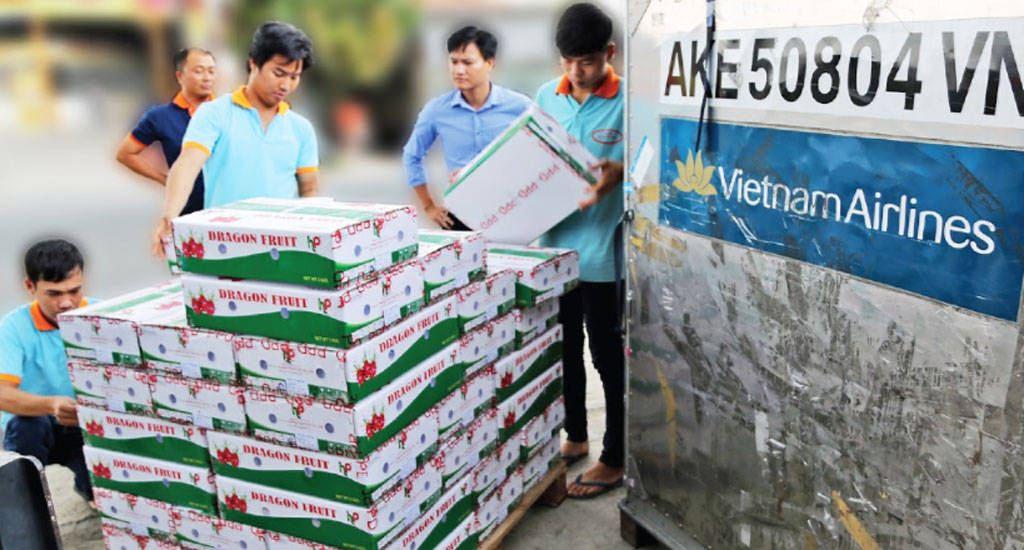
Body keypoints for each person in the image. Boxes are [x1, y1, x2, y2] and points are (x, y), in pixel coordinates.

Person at [535, 3, 626, 499]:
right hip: (553, 248)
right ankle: (576, 434)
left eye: (587, 61)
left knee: (606, 354)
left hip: (601, 252)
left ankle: (615, 456)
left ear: (609, 54)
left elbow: (654, 169)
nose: (575, 72)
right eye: (567, 60)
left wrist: (622, 172)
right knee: (563, 347)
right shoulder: (546, 95)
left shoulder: (630, 99)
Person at [152, 21, 319, 257]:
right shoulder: (215, 114)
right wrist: (170, 214)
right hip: (223, 247)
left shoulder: (301, 129)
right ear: (253, 63)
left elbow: (309, 190)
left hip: (281, 250)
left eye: (294, 77)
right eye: (278, 73)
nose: (286, 84)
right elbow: (188, 164)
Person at [402, 25, 531, 230]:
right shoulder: (437, 110)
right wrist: (428, 207)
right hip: (459, 217)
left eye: (468, 62)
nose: (459, 70)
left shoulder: (520, 106)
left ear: (489, 63)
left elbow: (537, 155)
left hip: (509, 212)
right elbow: (411, 156)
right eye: (454, 62)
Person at [0, 240, 94, 507]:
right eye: (54, 293)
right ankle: (26, 504)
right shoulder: (13, 328)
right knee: (28, 425)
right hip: (35, 428)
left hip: (84, 425)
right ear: (30, 287)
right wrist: (51, 404)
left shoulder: (100, 317)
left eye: (74, 290)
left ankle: (89, 488)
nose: (66, 302)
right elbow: (2, 396)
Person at [115, 48, 217, 216]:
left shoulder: (228, 112)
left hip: (226, 211)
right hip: (186, 214)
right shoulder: (160, 116)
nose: (206, 77)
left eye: (211, 71)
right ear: (180, 77)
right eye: (199, 71)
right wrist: (163, 179)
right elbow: (125, 154)